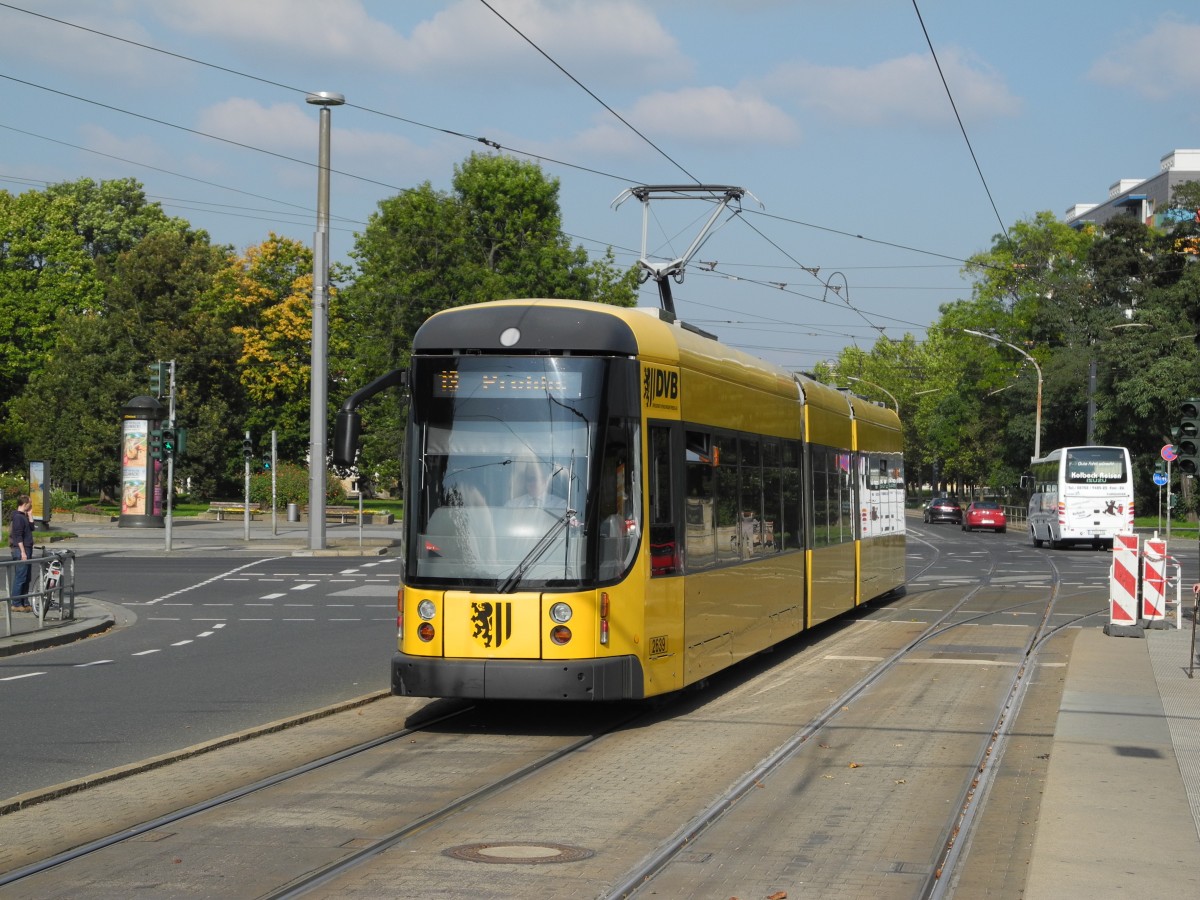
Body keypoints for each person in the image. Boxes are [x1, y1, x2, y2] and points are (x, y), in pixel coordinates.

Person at [8, 495, 34, 612]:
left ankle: (24, 601)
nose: (31, 505)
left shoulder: (23, 516)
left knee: (27, 577)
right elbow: (18, 536)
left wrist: (30, 515)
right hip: (21, 550)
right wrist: (23, 552)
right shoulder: (18, 517)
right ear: (25, 504)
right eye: (30, 503)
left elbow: (31, 528)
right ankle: (16, 603)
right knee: (21, 577)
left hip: (27, 548)